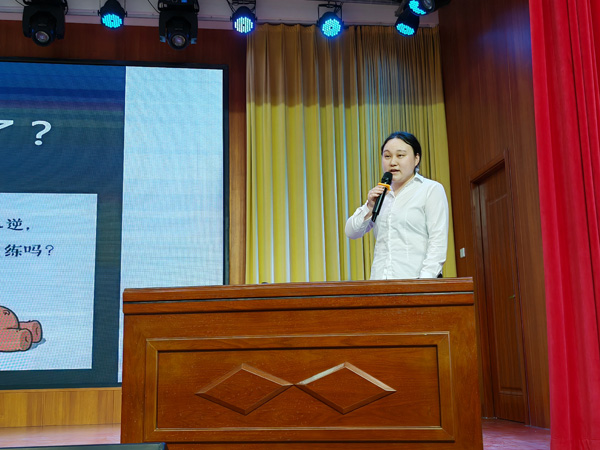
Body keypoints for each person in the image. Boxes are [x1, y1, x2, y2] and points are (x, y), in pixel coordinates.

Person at [345, 131, 449, 280]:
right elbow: (351, 232)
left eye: (400, 155)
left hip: (415, 282)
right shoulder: (381, 194)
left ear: (416, 159)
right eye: (387, 156)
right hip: (380, 283)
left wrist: (425, 282)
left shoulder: (430, 189)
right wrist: (369, 206)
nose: (393, 162)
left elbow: (437, 241)